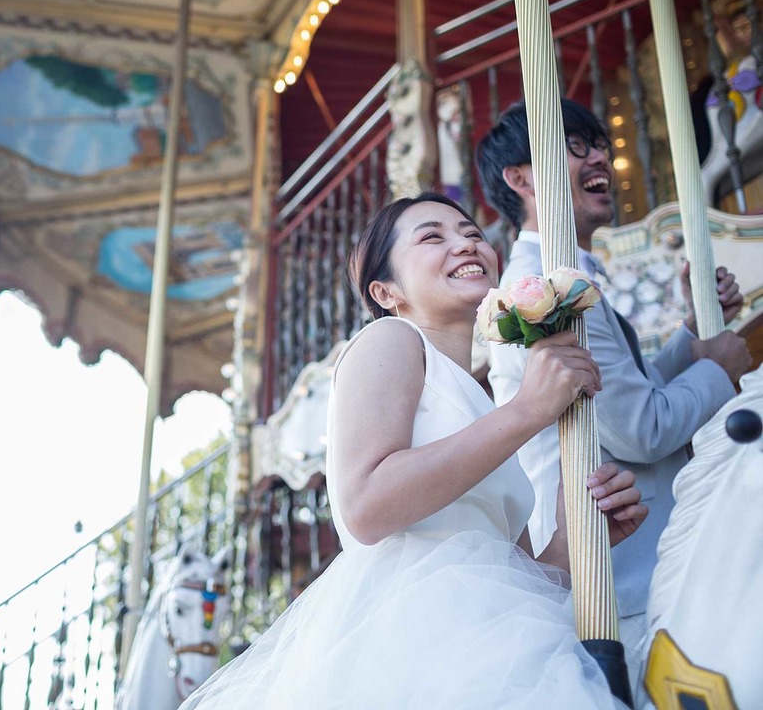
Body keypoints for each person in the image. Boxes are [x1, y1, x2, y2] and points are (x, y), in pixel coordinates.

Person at [181, 192, 648, 708]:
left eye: (472, 234)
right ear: (385, 292)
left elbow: (512, 568)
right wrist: (527, 412)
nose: (466, 244)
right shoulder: (391, 340)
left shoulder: (478, 400)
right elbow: (366, 505)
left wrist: (575, 540)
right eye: (433, 236)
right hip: (419, 628)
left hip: (487, 628)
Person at [476, 99, 751, 659]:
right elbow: (642, 431)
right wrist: (717, 367)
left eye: (599, 143)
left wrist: (693, 338)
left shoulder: (567, 276)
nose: (599, 154)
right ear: (521, 177)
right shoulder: (542, 286)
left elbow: (624, 398)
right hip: (622, 575)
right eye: (576, 145)